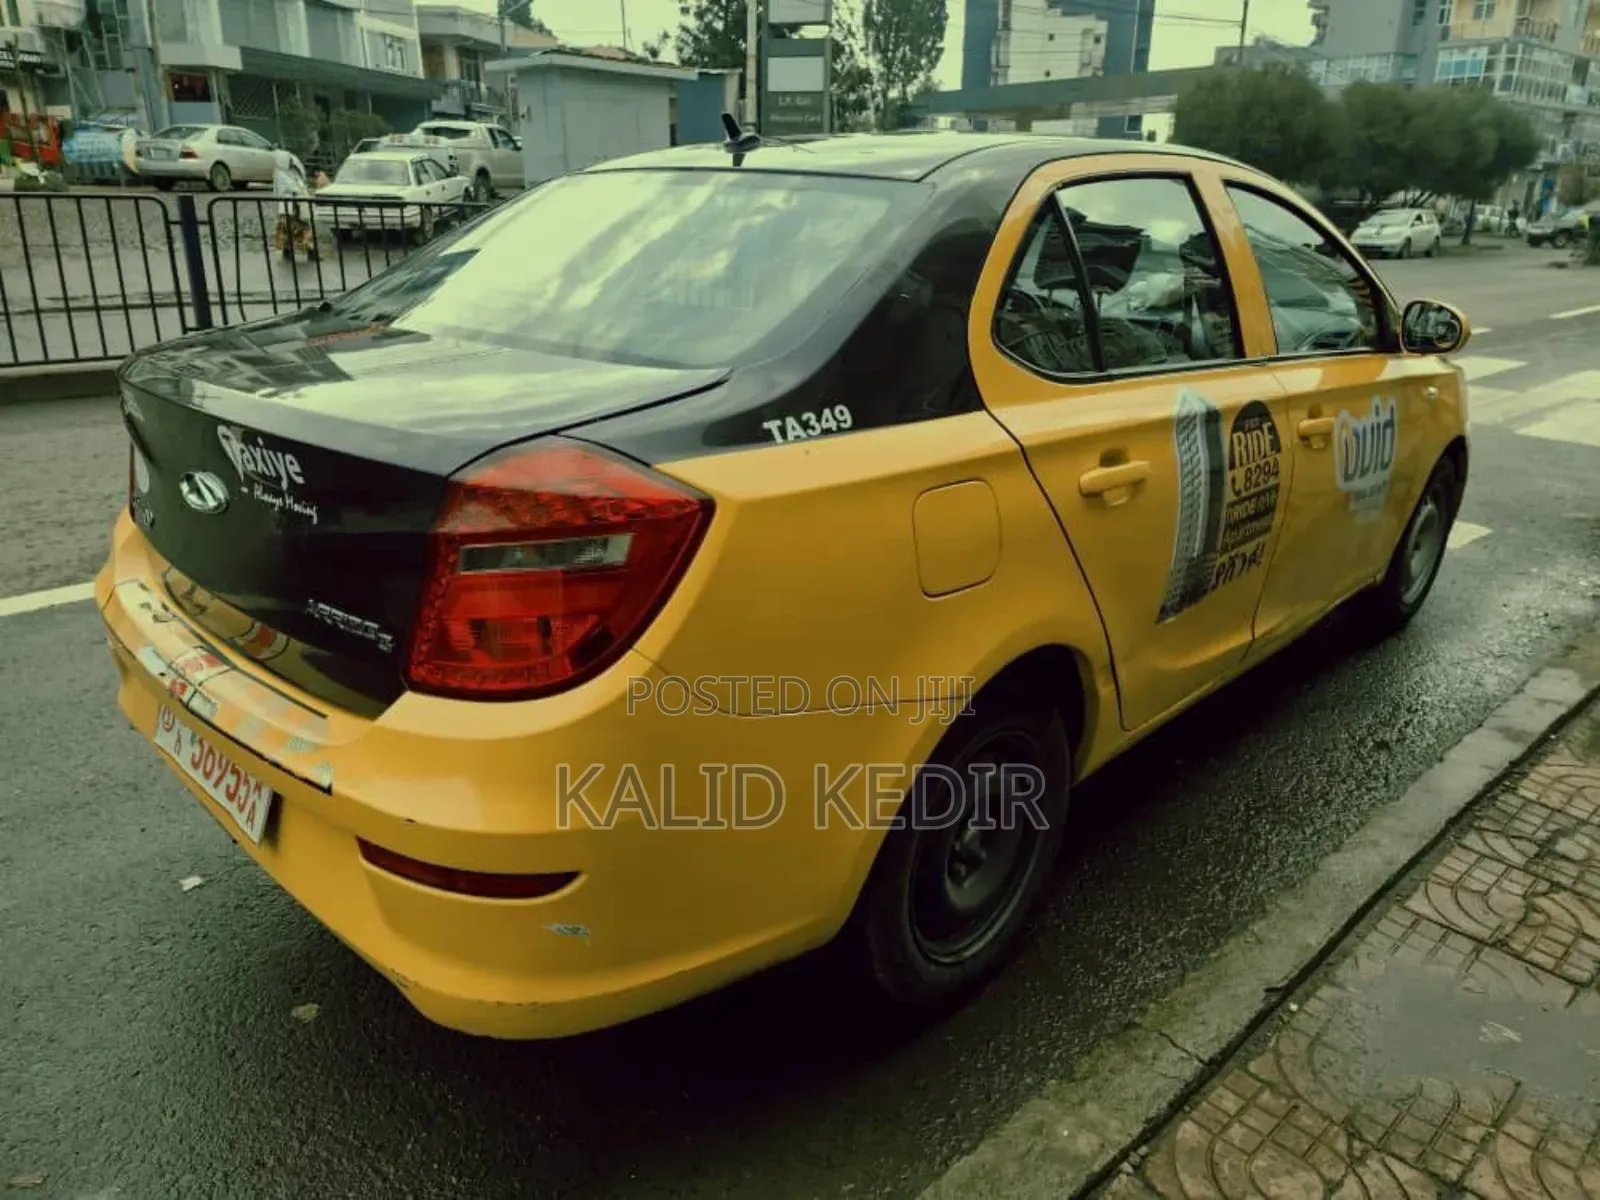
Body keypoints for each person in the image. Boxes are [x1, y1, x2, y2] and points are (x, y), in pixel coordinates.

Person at [271, 149, 317, 262]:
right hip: (290, 207)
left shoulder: (290, 174)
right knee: (292, 229)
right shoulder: (282, 175)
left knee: (295, 229)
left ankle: (303, 252)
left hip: (294, 207)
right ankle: (291, 252)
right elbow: (288, 190)